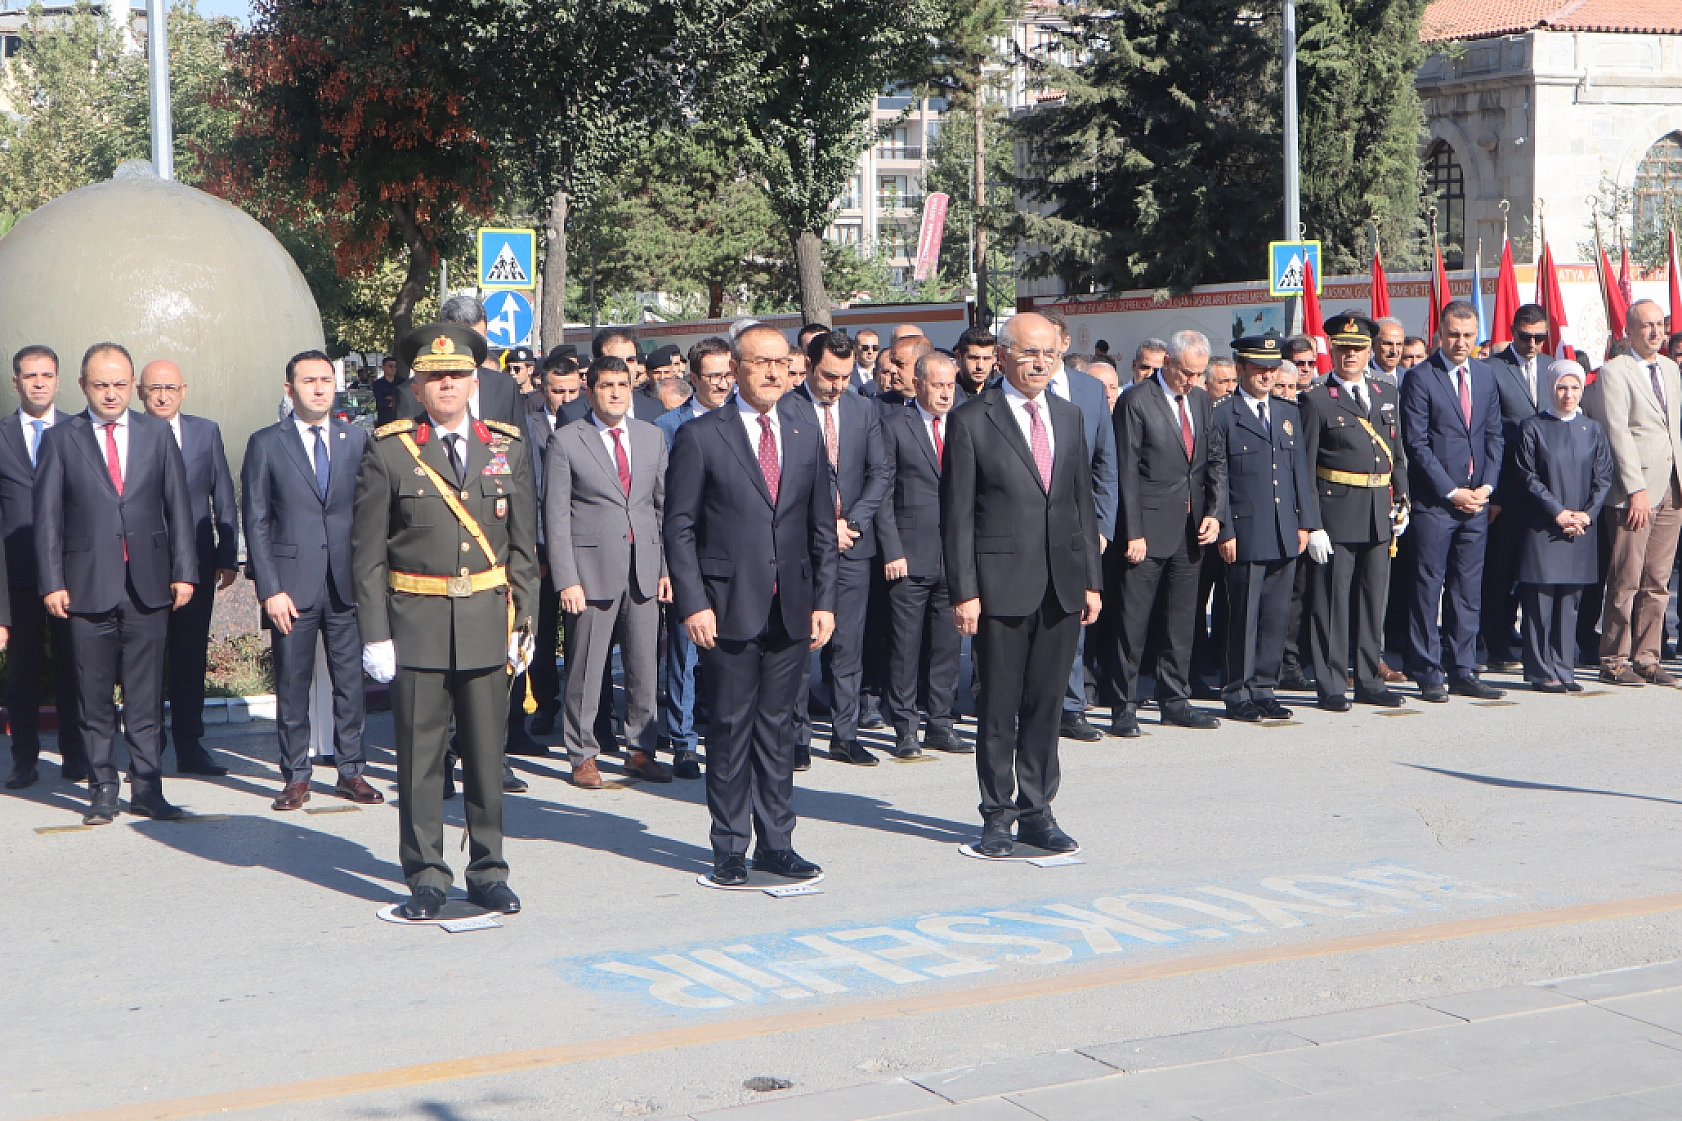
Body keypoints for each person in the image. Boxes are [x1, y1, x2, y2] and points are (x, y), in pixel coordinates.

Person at [353, 322, 538, 920]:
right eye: (435, 377)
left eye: (457, 375)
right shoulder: (389, 449)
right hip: (418, 625)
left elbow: (525, 550)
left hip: (488, 618)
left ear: (474, 379)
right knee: (420, 760)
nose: (447, 386)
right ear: (419, 384)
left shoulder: (506, 446)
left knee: (487, 758)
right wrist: (376, 633)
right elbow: (368, 554)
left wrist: (525, 623)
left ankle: (488, 870)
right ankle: (426, 875)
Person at [664, 323, 838, 886]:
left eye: (780, 363)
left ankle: (777, 842)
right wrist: (693, 602)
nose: (771, 373)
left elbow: (819, 526)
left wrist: (824, 600)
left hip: (792, 605)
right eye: (758, 363)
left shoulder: (804, 427)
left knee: (779, 730)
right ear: (735, 369)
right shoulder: (702, 435)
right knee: (732, 728)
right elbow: (680, 528)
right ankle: (730, 846)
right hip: (727, 605)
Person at [942, 312, 1101, 856]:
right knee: (998, 707)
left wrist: (1091, 582)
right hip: (1000, 586)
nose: (1039, 363)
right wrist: (964, 591)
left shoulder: (1070, 415)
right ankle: (996, 815)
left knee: (1046, 705)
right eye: (1029, 353)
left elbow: (1083, 503)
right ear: (1003, 356)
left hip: (1062, 584)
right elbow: (958, 516)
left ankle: (1038, 810)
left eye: (1049, 355)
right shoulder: (970, 420)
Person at [36, 343, 197, 825]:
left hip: (148, 584)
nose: (111, 393)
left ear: (134, 386)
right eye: (101, 384)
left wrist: (184, 570)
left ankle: (148, 787)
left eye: (120, 384)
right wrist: (51, 581)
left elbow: (179, 508)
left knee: (147, 696)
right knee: (94, 693)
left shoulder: (156, 434)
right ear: (84, 386)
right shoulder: (62, 438)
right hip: (85, 586)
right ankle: (103, 787)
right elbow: (46, 519)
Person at [242, 351, 380, 810]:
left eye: (325, 380)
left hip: (345, 583)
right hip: (291, 587)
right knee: (293, 682)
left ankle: (351, 770)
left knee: (350, 682)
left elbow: (371, 513)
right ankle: (296, 774)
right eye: (308, 381)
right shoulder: (266, 443)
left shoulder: (357, 439)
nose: (319, 388)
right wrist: (270, 589)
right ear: (289, 390)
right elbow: (256, 521)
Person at [546, 356, 673, 787]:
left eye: (623, 384)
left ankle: (641, 749)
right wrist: (567, 579)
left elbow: (662, 508)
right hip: (590, 572)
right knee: (585, 667)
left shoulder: (651, 437)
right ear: (590, 391)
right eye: (607, 385)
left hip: (644, 568)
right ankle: (582, 753)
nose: (616, 392)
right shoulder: (566, 441)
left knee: (643, 666)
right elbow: (556, 516)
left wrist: (666, 568)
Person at [1108, 329, 1226, 736]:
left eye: (1199, 374)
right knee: (1134, 620)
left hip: (1191, 530)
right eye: (1186, 373)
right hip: (1147, 530)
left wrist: (1214, 511)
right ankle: (1123, 704)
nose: (1192, 381)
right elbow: (1125, 473)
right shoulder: (1136, 401)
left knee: (1181, 620)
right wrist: (1133, 532)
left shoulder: (1199, 400)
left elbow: (1213, 460)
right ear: (1169, 363)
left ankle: (1174, 698)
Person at [1300, 313, 1409, 710]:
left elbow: (1397, 454)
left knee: (1371, 599)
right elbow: (1305, 466)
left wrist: (1403, 501)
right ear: (1332, 350)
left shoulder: (1386, 394)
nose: (1350, 356)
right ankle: (1330, 683)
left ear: (1369, 352)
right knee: (1331, 602)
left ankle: (1368, 679)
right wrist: (1312, 525)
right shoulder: (1314, 399)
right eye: (1343, 349)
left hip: (1379, 512)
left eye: (1358, 349)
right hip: (1335, 514)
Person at [138, 359, 240, 778]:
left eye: (170, 388)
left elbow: (223, 493)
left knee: (189, 657)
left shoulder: (205, 431)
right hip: (143, 563)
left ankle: (189, 746)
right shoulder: (130, 435)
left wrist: (228, 553)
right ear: (140, 393)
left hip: (197, 562)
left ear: (183, 390)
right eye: (154, 388)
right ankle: (147, 750)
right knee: (146, 661)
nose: (162, 395)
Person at [1401, 299, 1505, 702]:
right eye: (1454, 335)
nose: (1461, 343)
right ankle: (1427, 669)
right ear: (1439, 335)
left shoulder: (1484, 375)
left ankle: (1463, 667)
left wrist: (1487, 488)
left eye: (1468, 335)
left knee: (1467, 587)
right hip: (1437, 502)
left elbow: (1494, 436)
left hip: (1476, 502)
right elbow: (1417, 443)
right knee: (1429, 587)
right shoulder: (1421, 378)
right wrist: (1451, 490)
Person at [800, 331, 891, 765]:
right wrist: (822, 526)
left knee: (847, 645)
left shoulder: (861, 407)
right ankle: (797, 737)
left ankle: (845, 733)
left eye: (845, 375)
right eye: (828, 376)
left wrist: (851, 522)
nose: (837, 385)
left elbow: (880, 472)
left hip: (854, 544)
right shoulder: (787, 408)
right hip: (802, 548)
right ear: (808, 365)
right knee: (799, 643)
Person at [1212, 336, 1315, 720]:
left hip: (1284, 527)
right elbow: (1217, 477)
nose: (1267, 375)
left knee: (1275, 615)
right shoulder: (1224, 414)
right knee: (1244, 615)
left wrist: (1306, 521)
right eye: (1259, 368)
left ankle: (1264, 687)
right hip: (1244, 530)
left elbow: (1298, 472)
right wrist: (1224, 530)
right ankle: (1237, 691)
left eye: (1272, 368)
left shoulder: (1288, 412)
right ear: (1240, 369)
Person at [1582, 299, 1682, 686]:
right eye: (1647, 326)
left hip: (1672, 487)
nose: (1656, 333)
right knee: (1626, 577)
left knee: (1658, 580)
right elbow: (1618, 432)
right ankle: (1614, 658)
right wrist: (1635, 489)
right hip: (1635, 492)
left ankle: (1648, 656)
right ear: (1629, 331)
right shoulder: (1614, 372)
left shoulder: (1672, 370)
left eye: (1660, 325)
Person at [0, 345, 84, 789]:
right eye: (29, 375)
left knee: (75, 668)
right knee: (23, 673)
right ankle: (24, 760)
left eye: (46, 375)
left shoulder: (78, 432)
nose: (38, 383)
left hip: (71, 575)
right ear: (16, 381)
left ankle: (75, 755)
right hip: (17, 578)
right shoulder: (1, 435)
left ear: (58, 380)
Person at [878, 351, 968, 757]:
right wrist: (892, 548)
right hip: (909, 556)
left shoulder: (966, 425)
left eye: (951, 385)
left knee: (947, 647)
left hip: (956, 558)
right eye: (938, 385)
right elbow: (882, 494)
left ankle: (941, 722)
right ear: (917, 384)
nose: (946, 393)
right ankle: (904, 728)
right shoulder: (895, 425)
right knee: (905, 646)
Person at [653, 337, 735, 780]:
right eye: (712, 376)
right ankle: (683, 740)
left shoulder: (748, 420)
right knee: (685, 651)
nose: (721, 384)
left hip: (737, 556)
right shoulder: (669, 427)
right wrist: (669, 567)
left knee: (734, 652)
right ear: (692, 378)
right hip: (689, 554)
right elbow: (663, 505)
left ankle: (727, 734)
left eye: (727, 374)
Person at [1513, 363, 1614, 691]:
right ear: (1550, 388)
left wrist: (1586, 515)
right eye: (1561, 388)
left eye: (1574, 387)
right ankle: (1542, 671)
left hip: (1581, 530)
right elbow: (1528, 476)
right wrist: (1558, 513)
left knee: (1570, 603)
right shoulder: (1533, 427)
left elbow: (1603, 477)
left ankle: (1564, 667)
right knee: (1540, 602)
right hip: (1544, 527)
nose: (1568, 394)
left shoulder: (1593, 429)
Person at [1044, 313, 1119, 741]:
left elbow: (1105, 463)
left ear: (1065, 342)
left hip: (1078, 525)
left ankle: (1071, 706)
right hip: (1026, 524)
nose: (1042, 355)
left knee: (1072, 616)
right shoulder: (1008, 390)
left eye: (1050, 344)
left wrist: (1103, 524)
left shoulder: (1090, 390)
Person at [1482, 304, 1552, 671]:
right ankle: (1496, 643)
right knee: (1500, 570)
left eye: (1540, 337)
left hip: (1545, 491)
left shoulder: (1553, 367)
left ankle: (1532, 640)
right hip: (1507, 488)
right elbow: (1487, 431)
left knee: (1535, 569)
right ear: (1513, 332)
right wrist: (1491, 490)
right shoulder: (1493, 369)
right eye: (1526, 337)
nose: (1533, 344)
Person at [397, 295, 527, 429]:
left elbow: (521, 446)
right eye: (462, 341)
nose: (469, 350)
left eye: (476, 340)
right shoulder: (409, 393)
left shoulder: (504, 387)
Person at [567, 329, 666, 423]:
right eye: (616, 361)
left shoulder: (655, 409)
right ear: (597, 362)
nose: (625, 367)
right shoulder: (572, 413)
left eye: (630, 360)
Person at [955, 327, 998, 398]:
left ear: (994, 359)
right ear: (958, 357)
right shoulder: (948, 395)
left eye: (986, 358)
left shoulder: (999, 394)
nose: (980, 366)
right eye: (974, 358)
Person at [1371, 318, 1407, 386]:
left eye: (1399, 344)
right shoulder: (1362, 376)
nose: (1394, 351)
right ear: (1373, 345)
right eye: (1388, 344)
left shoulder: (1408, 377)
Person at [372, 355, 404, 426]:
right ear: (383, 367)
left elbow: (403, 400)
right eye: (390, 366)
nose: (393, 368)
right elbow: (380, 401)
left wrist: (391, 399)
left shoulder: (402, 382)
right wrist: (393, 400)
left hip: (400, 419)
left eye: (395, 366)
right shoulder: (378, 384)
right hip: (384, 420)